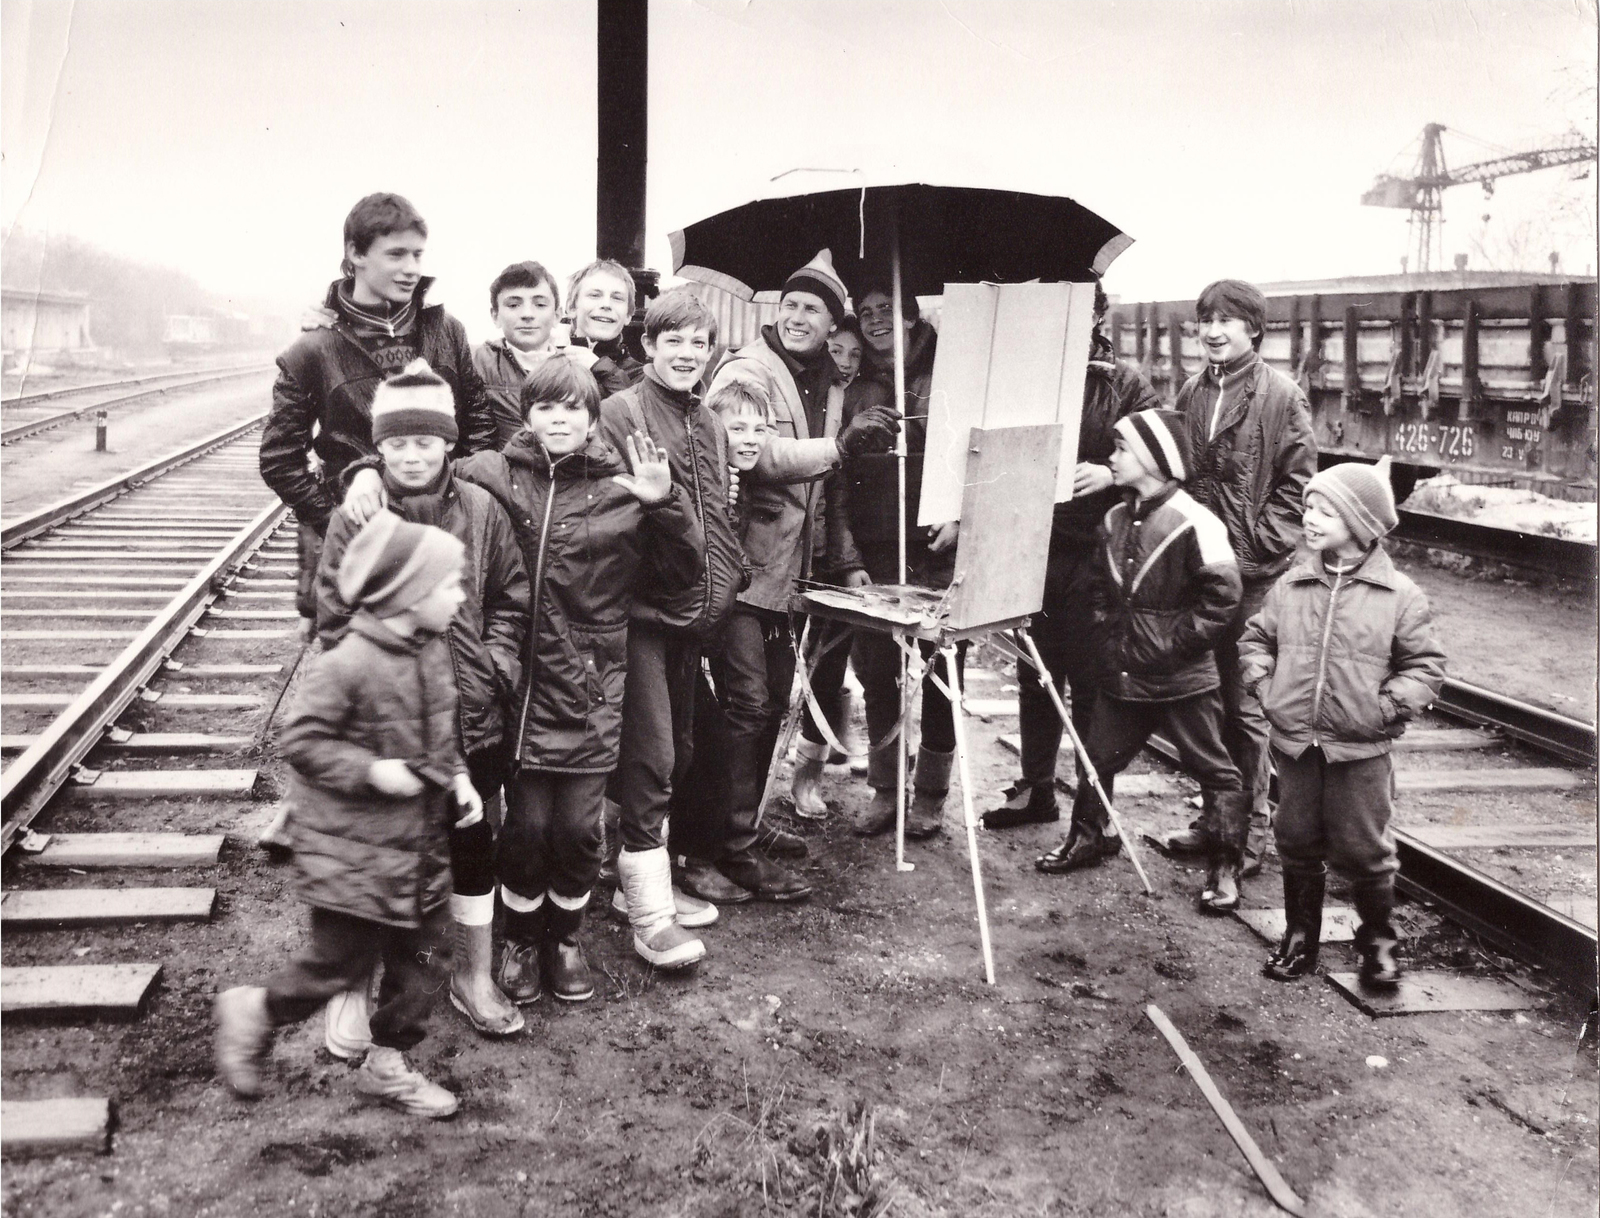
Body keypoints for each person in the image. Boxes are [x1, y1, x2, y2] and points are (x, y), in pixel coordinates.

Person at [215, 514, 481, 1118]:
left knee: (427, 959)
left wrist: (458, 775)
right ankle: (255, 1009)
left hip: (417, 847)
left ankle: (387, 1065)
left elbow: (440, 733)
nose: (461, 597)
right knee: (339, 961)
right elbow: (302, 738)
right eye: (451, 586)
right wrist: (370, 770)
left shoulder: (431, 651)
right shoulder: (348, 660)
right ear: (407, 595)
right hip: (353, 853)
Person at [455, 356, 703, 999]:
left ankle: (565, 941)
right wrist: (370, 479)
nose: (559, 419)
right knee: (526, 828)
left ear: (594, 416)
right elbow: (422, 473)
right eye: (545, 407)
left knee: (578, 829)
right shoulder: (493, 473)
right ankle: (518, 940)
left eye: (572, 408)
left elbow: (684, 576)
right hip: (521, 684)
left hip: (592, 685)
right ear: (528, 415)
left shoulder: (627, 489)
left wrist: (666, 504)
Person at [313, 360, 530, 1039]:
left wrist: (495, 666)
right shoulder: (359, 516)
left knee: (471, 844)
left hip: (472, 715)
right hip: (387, 726)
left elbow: (510, 600)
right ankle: (354, 985)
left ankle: (472, 974)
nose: (412, 455)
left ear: (449, 441)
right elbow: (332, 619)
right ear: (379, 447)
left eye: (425, 441)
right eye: (397, 443)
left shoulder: (483, 510)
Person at [699, 255, 901, 877]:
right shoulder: (748, 370)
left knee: (773, 705)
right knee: (748, 704)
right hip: (744, 567)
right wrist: (838, 445)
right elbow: (750, 453)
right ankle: (722, 840)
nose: (795, 317)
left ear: (832, 322)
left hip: (794, 575)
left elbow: (830, 489)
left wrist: (843, 561)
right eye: (789, 305)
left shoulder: (831, 385)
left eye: (811, 309)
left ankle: (747, 823)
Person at [1034, 409, 1250, 915]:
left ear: (1155, 459)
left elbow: (1222, 598)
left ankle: (1225, 865)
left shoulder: (1197, 521)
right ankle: (1087, 837)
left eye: (1122, 449)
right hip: (1124, 672)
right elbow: (1098, 588)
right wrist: (1108, 634)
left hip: (1182, 678)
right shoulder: (1113, 519)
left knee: (1214, 768)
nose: (1112, 458)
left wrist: (1174, 645)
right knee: (1096, 757)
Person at [1239, 458, 1445, 987]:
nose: (1309, 517)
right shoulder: (1292, 584)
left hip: (1361, 749)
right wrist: (1266, 689)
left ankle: (1378, 941)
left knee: (1365, 849)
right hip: (1297, 746)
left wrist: (1384, 709)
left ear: (1361, 522)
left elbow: (1425, 667)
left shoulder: (1399, 595)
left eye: (1324, 509)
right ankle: (1299, 936)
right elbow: (1256, 640)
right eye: (1308, 506)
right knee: (1296, 838)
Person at [259, 192, 498, 619]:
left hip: (446, 542)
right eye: (396, 254)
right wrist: (337, 517)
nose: (411, 269)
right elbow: (278, 458)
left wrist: (457, 498)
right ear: (355, 253)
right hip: (362, 553)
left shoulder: (446, 330)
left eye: (418, 255)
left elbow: (478, 420)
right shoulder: (313, 348)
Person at [985, 283, 1162, 830]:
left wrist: (1111, 474)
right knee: (1036, 675)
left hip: (1097, 554)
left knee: (1091, 685)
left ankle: (1095, 816)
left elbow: (1164, 458)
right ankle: (1037, 790)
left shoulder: (1126, 385)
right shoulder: (1030, 377)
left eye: (1080, 309)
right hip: (1036, 548)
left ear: (1098, 316)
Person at [1163, 279, 1317, 877]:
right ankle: (1213, 820)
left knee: (1245, 708)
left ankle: (1248, 837)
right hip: (1202, 569)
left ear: (1254, 329)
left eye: (1227, 320)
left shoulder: (1282, 396)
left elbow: (1297, 486)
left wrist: (1255, 547)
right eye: (1206, 319)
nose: (1213, 330)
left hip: (1251, 577)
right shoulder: (1193, 389)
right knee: (1202, 701)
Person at [806, 278, 960, 841]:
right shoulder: (853, 387)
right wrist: (847, 559)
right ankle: (887, 787)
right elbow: (837, 482)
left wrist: (961, 516)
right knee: (878, 674)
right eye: (867, 311)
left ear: (913, 317)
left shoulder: (949, 372)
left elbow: (977, 453)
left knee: (942, 671)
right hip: (875, 552)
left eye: (888, 308)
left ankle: (933, 795)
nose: (875, 320)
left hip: (935, 552)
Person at [473, 261, 580, 447]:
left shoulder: (576, 368)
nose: (527, 314)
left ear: (557, 315)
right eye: (514, 305)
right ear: (495, 316)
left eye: (539, 304)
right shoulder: (478, 364)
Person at [566, 259, 645, 397]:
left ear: (628, 315)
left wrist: (599, 367)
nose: (606, 304)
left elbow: (636, 413)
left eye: (617, 298)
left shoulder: (641, 376)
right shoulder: (550, 362)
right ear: (571, 308)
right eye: (595, 295)